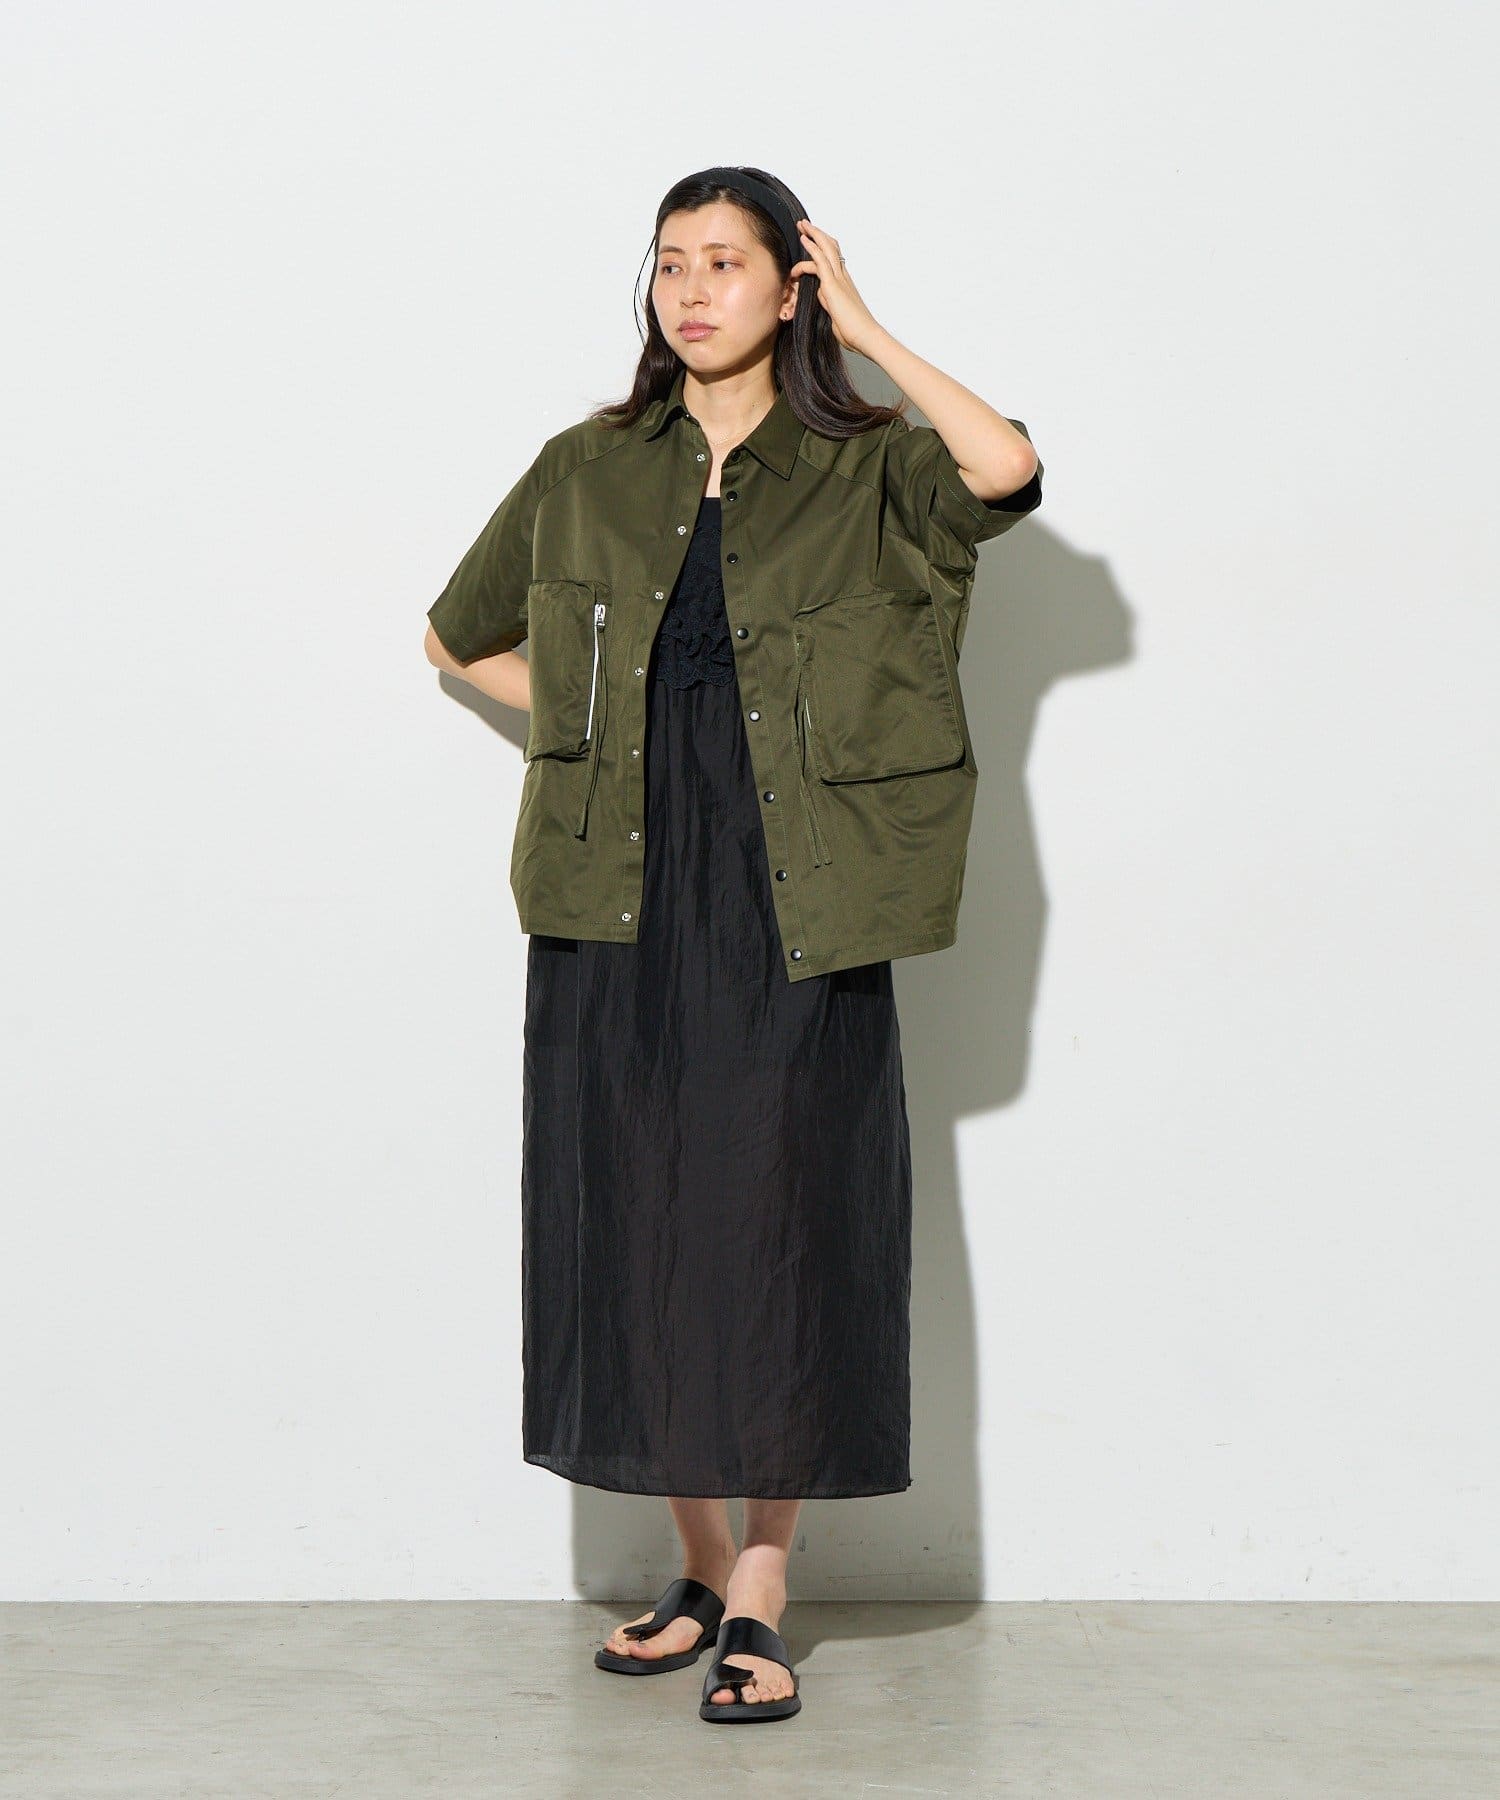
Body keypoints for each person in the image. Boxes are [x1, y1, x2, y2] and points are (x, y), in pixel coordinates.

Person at [424, 165, 1043, 1726]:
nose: (691, 291)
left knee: (782, 1219)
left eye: (725, 262)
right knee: (632, 1212)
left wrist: (872, 329)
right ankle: (697, 1566)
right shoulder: (587, 466)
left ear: (790, 286)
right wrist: (589, 729)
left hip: (799, 888)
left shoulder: (871, 464)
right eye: (668, 264)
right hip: (618, 882)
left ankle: (764, 1588)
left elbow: (1006, 468)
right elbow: (455, 634)